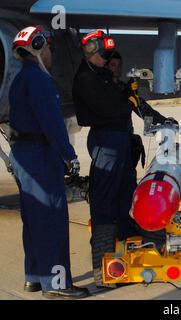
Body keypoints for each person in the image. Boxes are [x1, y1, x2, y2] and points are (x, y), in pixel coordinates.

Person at [72, 30, 170, 287]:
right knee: (104, 199)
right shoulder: (87, 79)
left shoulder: (107, 80)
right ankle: (101, 261)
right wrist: (127, 99)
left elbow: (139, 106)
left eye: (114, 62)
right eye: (106, 59)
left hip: (121, 141)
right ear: (93, 54)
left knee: (127, 193)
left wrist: (163, 121)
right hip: (107, 141)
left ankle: (128, 242)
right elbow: (110, 108)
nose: (110, 64)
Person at [9, 26, 89, 299]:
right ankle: (56, 283)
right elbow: (53, 125)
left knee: (33, 219)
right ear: (39, 49)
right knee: (52, 219)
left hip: (22, 154)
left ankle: (34, 277)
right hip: (40, 156)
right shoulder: (41, 81)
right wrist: (69, 155)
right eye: (49, 48)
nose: (51, 53)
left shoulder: (20, 79)